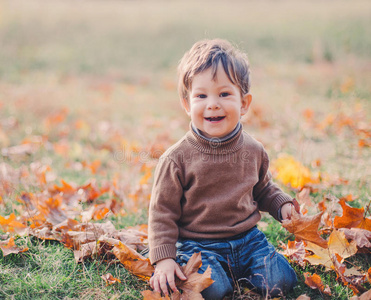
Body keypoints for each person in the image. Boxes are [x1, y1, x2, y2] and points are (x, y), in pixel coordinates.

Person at [148, 39, 297, 299]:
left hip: (248, 240)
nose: (213, 104)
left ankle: (244, 268)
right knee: (214, 291)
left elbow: (262, 189)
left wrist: (281, 204)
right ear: (187, 104)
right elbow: (162, 213)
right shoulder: (176, 159)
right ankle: (212, 272)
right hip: (199, 245)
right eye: (201, 96)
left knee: (282, 281)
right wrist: (163, 258)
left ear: (244, 103)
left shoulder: (253, 150)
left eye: (224, 94)